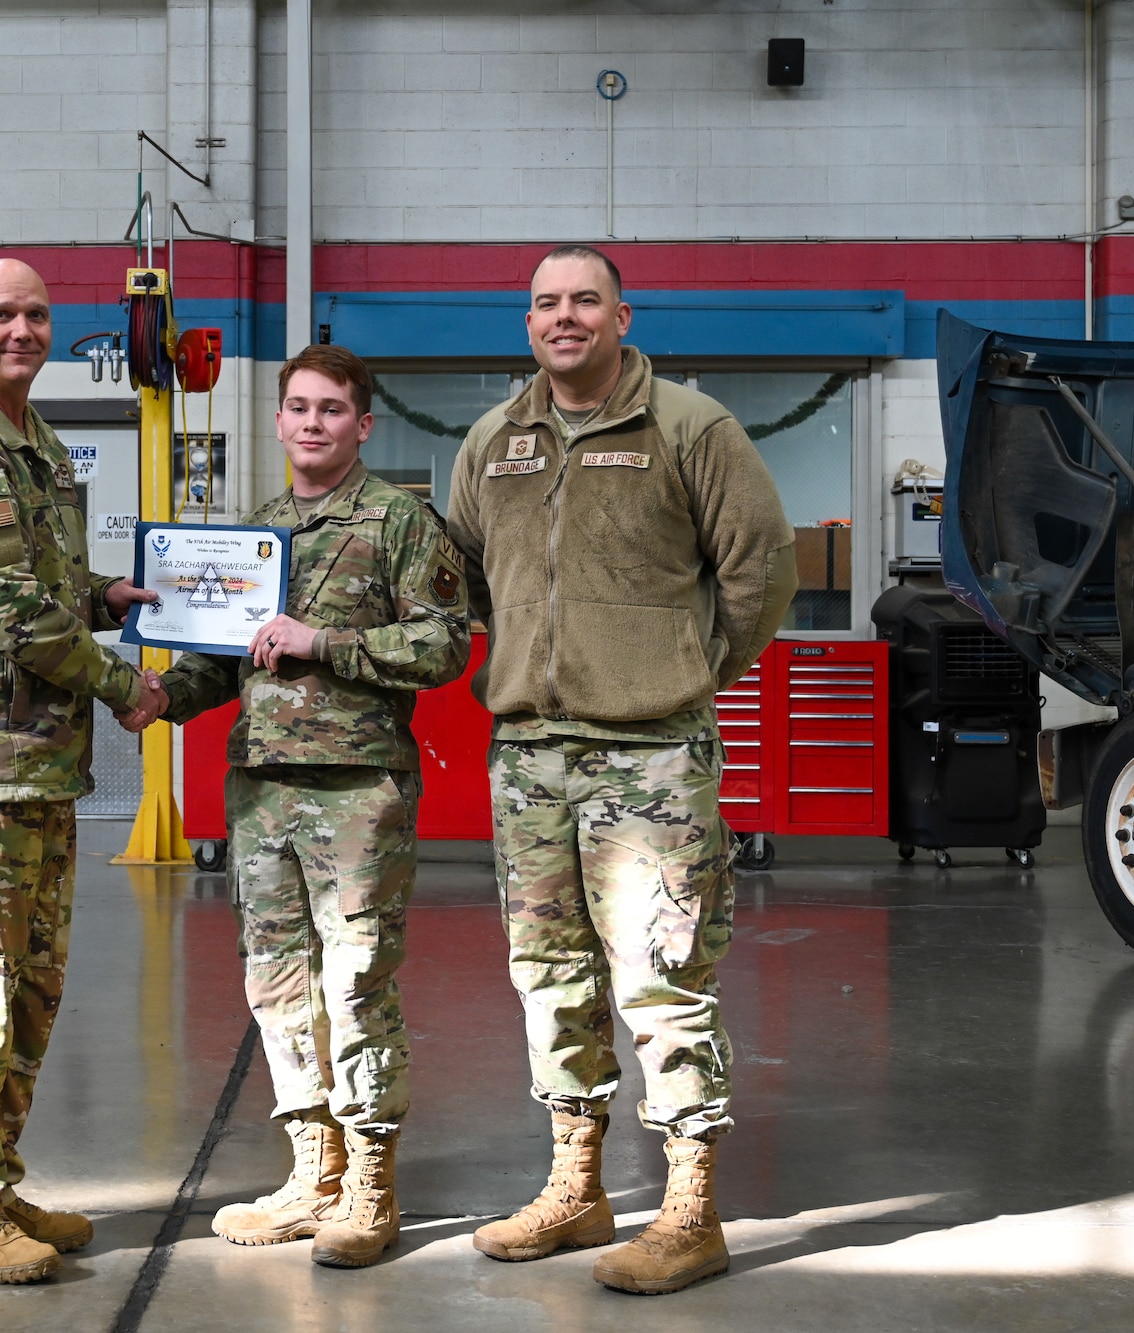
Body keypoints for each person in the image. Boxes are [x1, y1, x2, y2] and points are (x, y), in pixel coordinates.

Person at [447, 245, 797, 1295]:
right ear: (528, 323)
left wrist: (684, 674)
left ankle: (689, 1209)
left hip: (648, 754)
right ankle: (576, 1188)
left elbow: (760, 570)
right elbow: (464, 570)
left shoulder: (688, 428)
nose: (563, 317)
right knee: (548, 979)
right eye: (544, 303)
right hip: (527, 755)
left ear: (619, 315)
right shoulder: (489, 441)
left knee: (661, 978)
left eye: (582, 299)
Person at [151, 344, 470, 1268]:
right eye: (298, 407)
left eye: (332, 409)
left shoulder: (401, 522)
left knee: (357, 982)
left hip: (357, 791)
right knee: (278, 987)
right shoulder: (254, 534)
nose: (313, 422)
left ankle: (371, 1181)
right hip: (261, 792)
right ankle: (311, 1172)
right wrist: (155, 696)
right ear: (281, 420)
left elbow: (445, 646)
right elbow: (219, 658)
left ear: (361, 424)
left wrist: (323, 641)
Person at [0, 257, 167, 1286]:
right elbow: (7, 614)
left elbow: (33, 586)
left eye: (37, 313)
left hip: (36, 768)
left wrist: (108, 595)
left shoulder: (31, 444)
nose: (22, 329)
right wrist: (119, 682)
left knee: (32, 986)